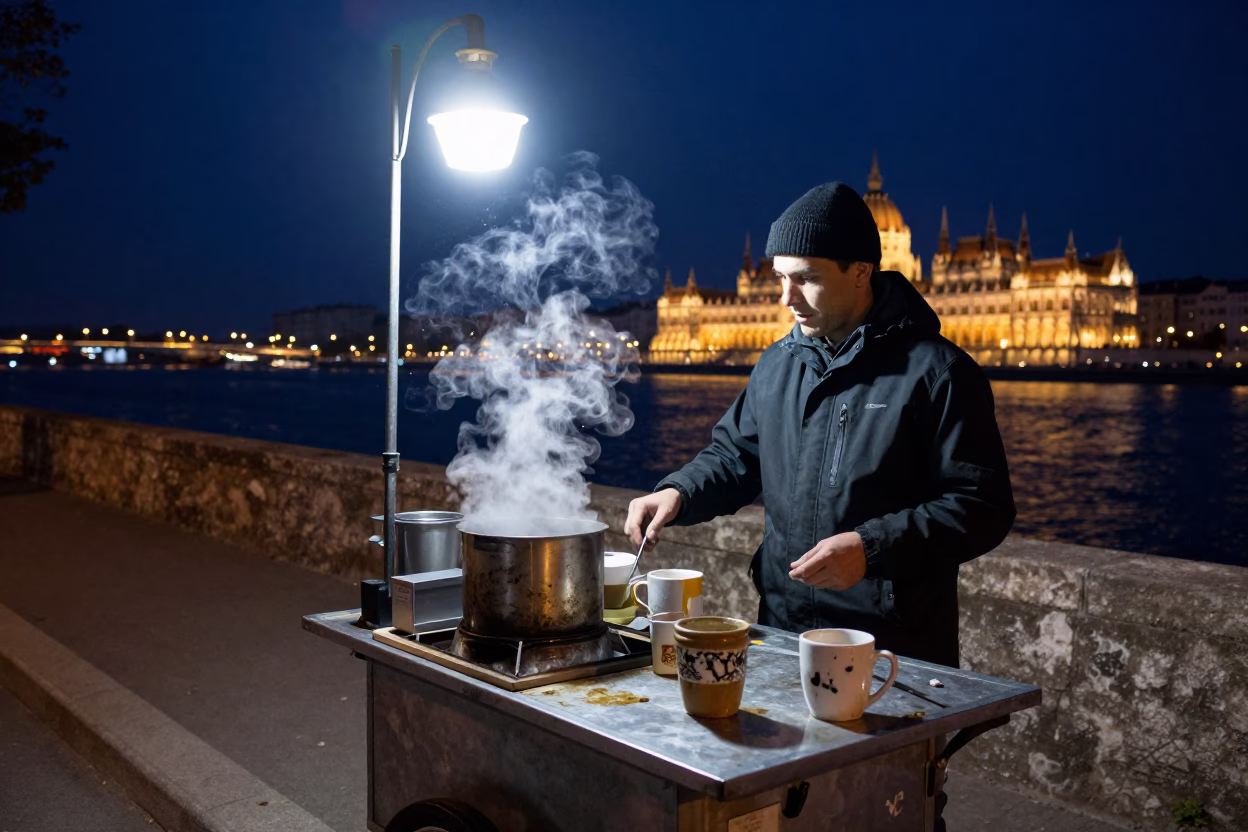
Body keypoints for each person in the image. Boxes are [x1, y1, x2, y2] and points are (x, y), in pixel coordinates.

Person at [624, 181, 1015, 670]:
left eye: (806, 278)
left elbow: (982, 506)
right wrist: (679, 493)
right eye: (780, 277)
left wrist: (870, 550)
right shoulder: (777, 365)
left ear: (861, 271)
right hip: (783, 633)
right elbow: (735, 458)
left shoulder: (938, 373)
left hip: (890, 650)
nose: (786, 297)